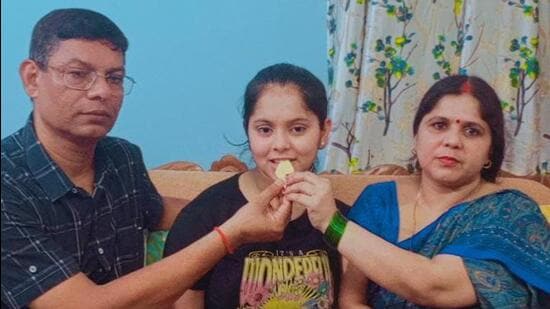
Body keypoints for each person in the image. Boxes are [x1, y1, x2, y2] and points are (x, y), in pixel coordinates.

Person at [1, 9, 292, 308]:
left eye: (114, 78)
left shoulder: (122, 159)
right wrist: (230, 234)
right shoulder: (8, 185)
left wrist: (263, 205)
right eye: (78, 74)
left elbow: (176, 212)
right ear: (32, 78)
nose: (102, 91)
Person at [284, 75, 550, 308]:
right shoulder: (378, 201)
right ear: (416, 135)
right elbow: (351, 300)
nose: (452, 141)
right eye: (439, 125)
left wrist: (333, 224)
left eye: (472, 131)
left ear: (490, 150)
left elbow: (434, 286)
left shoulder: (511, 214)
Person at [163, 63, 349, 308]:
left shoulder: (342, 220)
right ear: (247, 131)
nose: (280, 144)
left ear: (323, 132)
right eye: (264, 129)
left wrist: (333, 224)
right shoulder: (205, 216)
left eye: (298, 129)